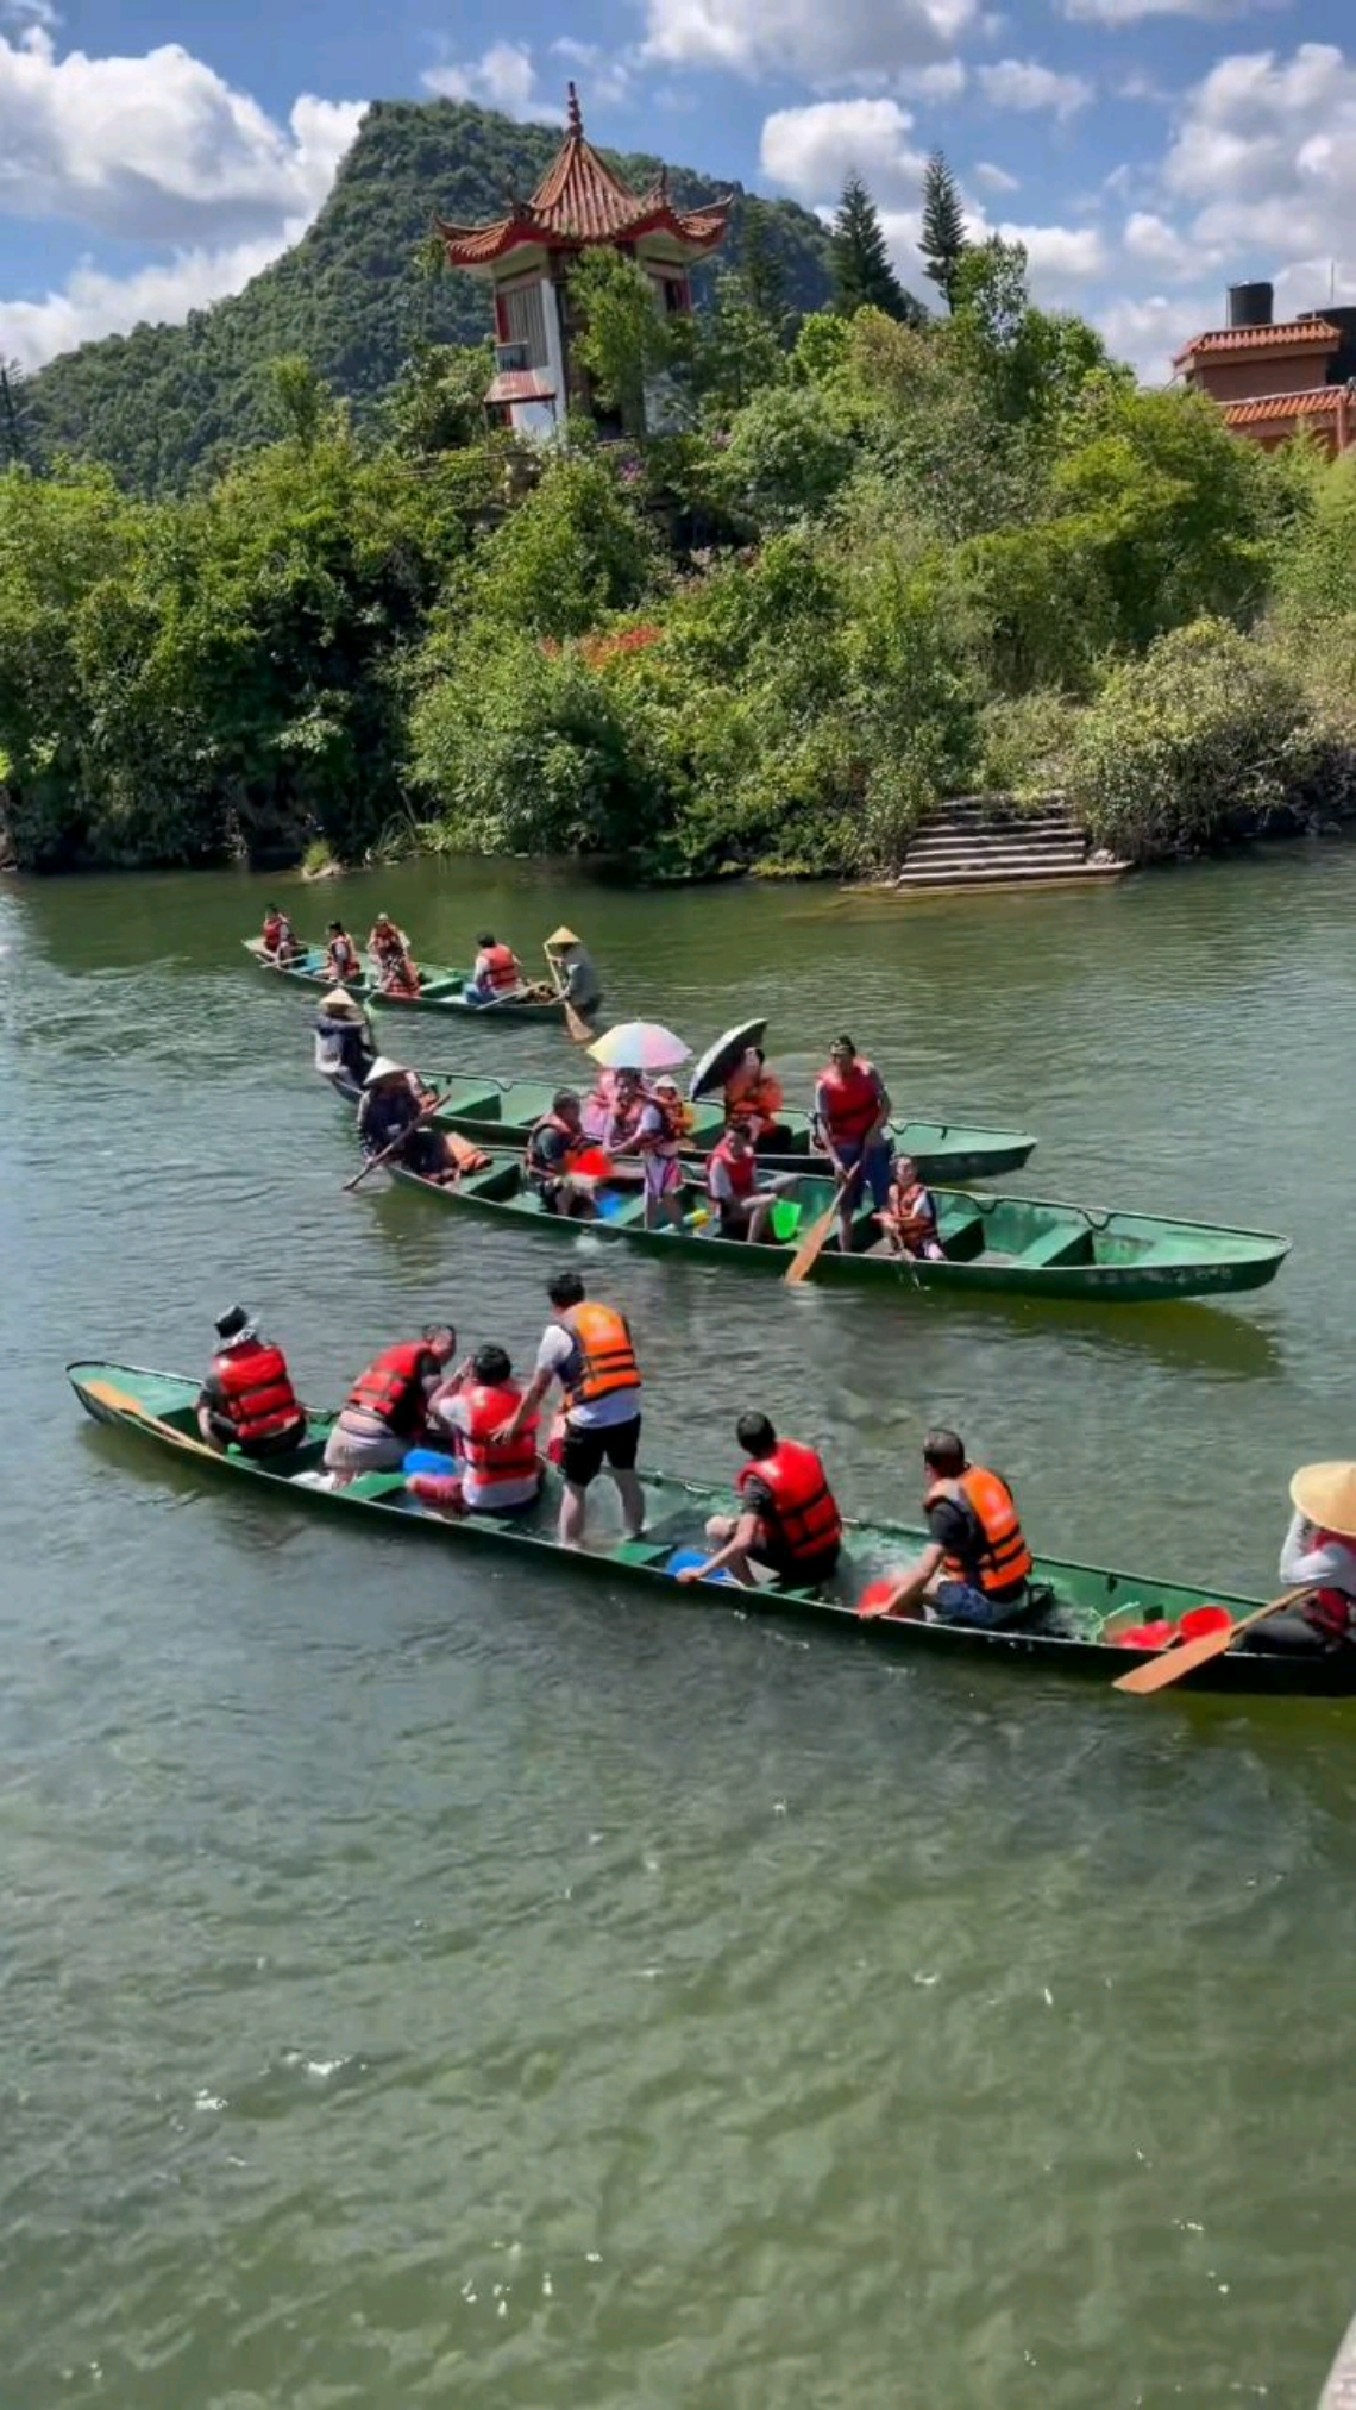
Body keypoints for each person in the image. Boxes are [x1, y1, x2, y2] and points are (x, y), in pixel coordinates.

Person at [495, 1270, 644, 1547]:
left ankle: (570, 1544)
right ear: (582, 1295)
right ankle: (634, 1533)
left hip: (589, 1421)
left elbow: (538, 1389)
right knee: (626, 1475)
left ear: (555, 1304)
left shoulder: (557, 1332)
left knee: (575, 1487)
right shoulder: (615, 1318)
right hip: (629, 1412)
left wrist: (514, 1425)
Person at [865, 1429, 1032, 1628]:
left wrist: (887, 1606)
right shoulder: (992, 1479)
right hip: (1019, 1591)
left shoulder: (946, 1510)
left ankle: (922, 1631)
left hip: (992, 1608)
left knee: (899, 1582)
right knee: (934, 1574)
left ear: (929, 1468)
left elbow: (924, 1572)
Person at [678, 1413, 842, 1591]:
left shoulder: (757, 1484)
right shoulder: (804, 1451)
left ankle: (750, 1587)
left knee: (716, 1527)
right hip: (832, 1551)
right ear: (772, 1432)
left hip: (801, 1563)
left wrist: (701, 1572)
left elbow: (743, 1541)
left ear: (744, 1446)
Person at [323, 1324, 457, 1484]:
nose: (452, 1353)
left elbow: (357, 1385)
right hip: (372, 1443)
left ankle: (342, 1481)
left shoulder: (392, 1354)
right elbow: (435, 1406)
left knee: (343, 1478)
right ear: (438, 1342)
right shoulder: (428, 1359)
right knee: (425, 1455)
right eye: (451, 1345)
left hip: (339, 1438)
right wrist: (453, 1435)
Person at [428, 1343, 544, 1516]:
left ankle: (451, 1515)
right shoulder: (527, 1404)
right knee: (540, 1462)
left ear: (474, 1375)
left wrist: (460, 1375)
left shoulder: (462, 1404)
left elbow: (432, 1404)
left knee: (414, 1481)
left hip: (479, 1500)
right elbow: (527, 1392)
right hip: (526, 1499)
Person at [1254, 1462, 1356, 1653]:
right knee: (1292, 1612)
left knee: (1257, 1633)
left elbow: (1289, 1575)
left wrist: (1302, 1514)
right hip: (1338, 1612)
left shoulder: (1339, 1555)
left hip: (1346, 1634)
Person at [813, 1035, 894, 1256]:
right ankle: (846, 1252)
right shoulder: (824, 1086)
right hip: (844, 1144)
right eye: (835, 1057)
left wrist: (874, 1130)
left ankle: (891, 1248)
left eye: (843, 1057)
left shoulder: (869, 1073)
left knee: (884, 1199)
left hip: (872, 1138)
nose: (839, 1062)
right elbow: (822, 1125)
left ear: (853, 1056)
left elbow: (886, 1105)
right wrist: (836, 1161)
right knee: (846, 1209)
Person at [197, 1304, 307, 1458]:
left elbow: (204, 1413)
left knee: (209, 1415)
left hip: (258, 1446)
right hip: (296, 1432)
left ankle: (223, 1459)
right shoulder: (273, 1352)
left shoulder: (217, 1372)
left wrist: (208, 1435)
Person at [357, 1059, 486, 1184]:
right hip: (385, 1147)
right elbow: (362, 1132)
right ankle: (419, 1171)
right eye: (395, 1076)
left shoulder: (403, 1092)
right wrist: (369, 1155)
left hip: (407, 1137)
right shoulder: (368, 1101)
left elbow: (415, 1112)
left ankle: (434, 1172)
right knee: (408, 1162)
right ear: (383, 1080)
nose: (400, 1078)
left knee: (435, 1138)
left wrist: (422, 1117)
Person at [613, 1073, 687, 1231]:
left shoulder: (652, 1108)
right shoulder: (676, 1107)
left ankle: (649, 1229)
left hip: (657, 1158)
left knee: (652, 1195)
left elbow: (643, 1135)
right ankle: (681, 1228)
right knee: (666, 1195)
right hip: (671, 1156)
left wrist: (617, 1150)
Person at [707, 1121, 789, 1244]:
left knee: (791, 1181)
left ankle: (783, 1230)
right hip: (729, 1208)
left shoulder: (748, 1155)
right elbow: (727, 1199)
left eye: (738, 1141)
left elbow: (753, 1183)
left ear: (746, 1142)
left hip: (748, 1196)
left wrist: (757, 1196)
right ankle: (751, 1243)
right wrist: (757, 1200)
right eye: (729, 1140)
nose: (733, 1145)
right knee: (767, 1200)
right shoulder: (719, 1163)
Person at [526, 1088, 597, 1219]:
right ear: (561, 1111)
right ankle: (563, 1214)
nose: (578, 1110)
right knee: (574, 1182)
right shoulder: (550, 1134)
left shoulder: (570, 1125)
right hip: (544, 1181)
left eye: (577, 1106)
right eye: (574, 1107)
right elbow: (561, 1169)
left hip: (565, 1171)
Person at [877, 1154, 944, 1262]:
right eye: (905, 1168)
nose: (909, 1172)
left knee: (937, 1256)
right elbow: (886, 1218)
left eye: (912, 1168)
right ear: (896, 1173)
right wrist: (887, 1221)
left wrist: (892, 1220)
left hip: (924, 1241)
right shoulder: (891, 1192)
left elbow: (914, 1218)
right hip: (902, 1242)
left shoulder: (921, 1192)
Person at [724, 1046, 787, 1149]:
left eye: (753, 1058)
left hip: (744, 1126)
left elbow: (774, 1106)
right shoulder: (736, 1081)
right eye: (747, 1059)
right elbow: (772, 1106)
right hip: (744, 1129)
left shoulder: (766, 1081)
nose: (750, 1063)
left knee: (784, 1133)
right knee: (781, 1135)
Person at [314, 987, 376, 1088]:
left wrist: (371, 1050)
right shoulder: (323, 1021)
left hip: (355, 1059)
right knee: (346, 1072)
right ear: (330, 1006)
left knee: (370, 1067)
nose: (340, 1008)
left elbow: (359, 1042)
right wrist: (362, 1024)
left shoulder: (350, 1022)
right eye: (338, 1006)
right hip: (336, 1061)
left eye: (342, 1006)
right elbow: (338, 1026)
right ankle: (358, 1090)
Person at [544, 925, 602, 1018]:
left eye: (559, 944)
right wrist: (555, 960)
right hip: (593, 995)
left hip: (583, 999)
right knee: (589, 1022)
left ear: (564, 944)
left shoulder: (573, 957)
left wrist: (562, 996)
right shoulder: (578, 951)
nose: (558, 946)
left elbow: (574, 982)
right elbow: (568, 962)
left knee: (581, 1023)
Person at [464, 932, 525, 1006]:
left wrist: (480, 987)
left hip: (498, 994)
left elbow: (478, 979)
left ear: (480, 945)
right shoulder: (506, 950)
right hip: (515, 989)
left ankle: (473, 1007)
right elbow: (518, 965)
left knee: (468, 988)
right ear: (494, 941)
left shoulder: (483, 957)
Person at [368, 912, 420, 997]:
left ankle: (407, 982)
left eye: (384, 924)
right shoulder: (375, 932)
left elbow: (404, 947)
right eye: (380, 923)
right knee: (379, 960)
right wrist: (373, 951)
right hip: (382, 955)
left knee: (399, 965)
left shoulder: (395, 932)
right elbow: (371, 946)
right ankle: (380, 981)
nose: (382, 926)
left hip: (395, 955)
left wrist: (403, 957)